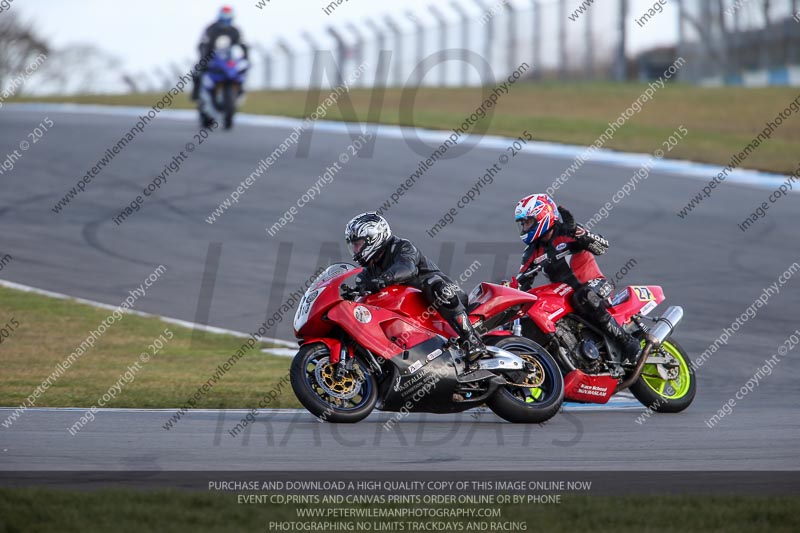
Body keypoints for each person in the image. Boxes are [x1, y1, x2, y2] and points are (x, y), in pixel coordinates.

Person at [344, 212, 487, 371]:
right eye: (353, 245)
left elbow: (407, 268)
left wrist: (383, 279)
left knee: (434, 285)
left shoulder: (401, 247)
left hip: (444, 295)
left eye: (358, 244)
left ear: (374, 238)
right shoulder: (368, 271)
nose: (355, 250)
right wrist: (351, 295)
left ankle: (472, 340)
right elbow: (361, 292)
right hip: (415, 314)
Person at [510, 194, 641, 361]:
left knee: (584, 296)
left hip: (595, 285)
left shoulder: (567, 231)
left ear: (542, 216)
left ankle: (626, 341)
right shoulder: (532, 252)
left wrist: (579, 234)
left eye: (527, 222)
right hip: (565, 296)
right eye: (523, 224)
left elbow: (602, 248)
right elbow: (522, 283)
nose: (525, 228)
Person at [191, 6, 248, 101]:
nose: (226, 16)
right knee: (197, 72)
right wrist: (204, 57)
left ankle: (239, 90)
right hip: (212, 58)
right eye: (224, 13)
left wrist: (245, 57)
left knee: (242, 71)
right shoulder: (211, 28)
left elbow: (243, 44)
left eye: (228, 14)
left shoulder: (235, 30)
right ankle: (196, 94)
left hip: (229, 59)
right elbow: (203, 43)